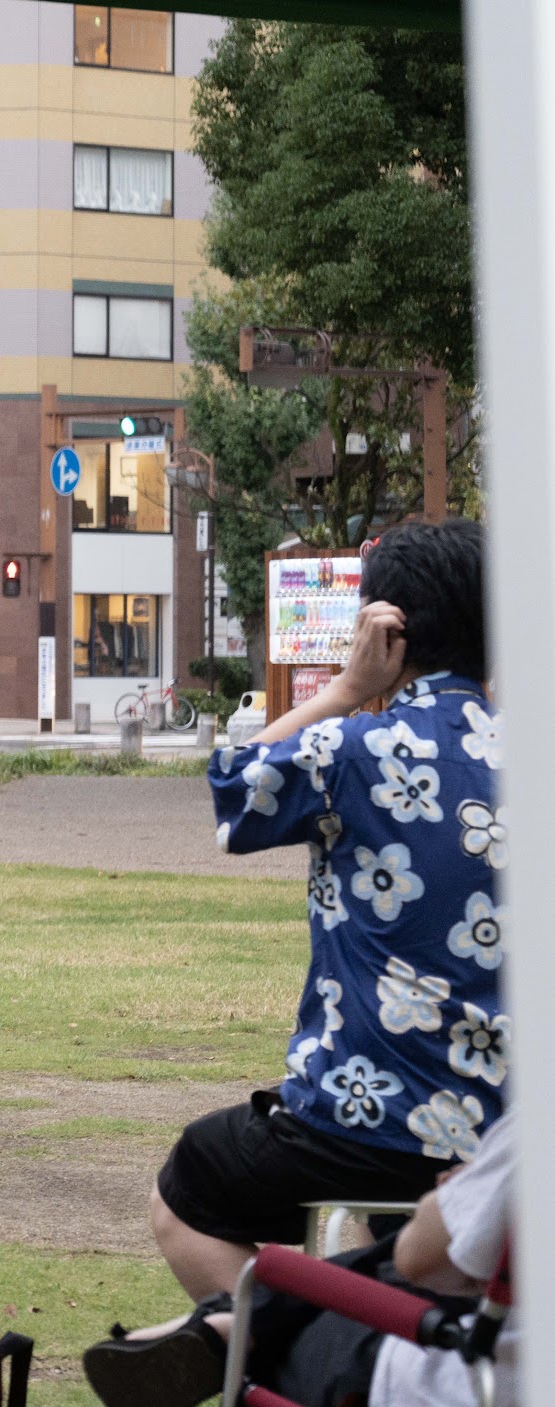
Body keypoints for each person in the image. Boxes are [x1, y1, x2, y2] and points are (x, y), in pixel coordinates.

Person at [152, 521, 503, 1306]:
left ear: (385, 632)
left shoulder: (352, 750)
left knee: (187, 1191)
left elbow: (234, 788)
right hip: (510, 1136)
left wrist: (346, 688)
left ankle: (283, 1343)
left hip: (362, 1123)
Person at [84, 1112, 516, 1407]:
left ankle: (237, 1325)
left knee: (289, 1350)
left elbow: (415, 1258)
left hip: (478, 1403)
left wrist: (456, 1191)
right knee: (402, 1265)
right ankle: (239, 1322)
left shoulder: (532, 1137)